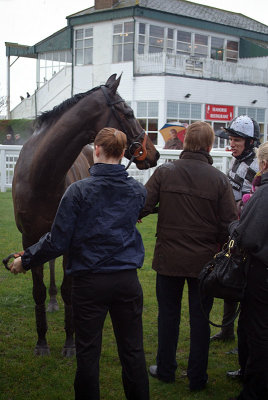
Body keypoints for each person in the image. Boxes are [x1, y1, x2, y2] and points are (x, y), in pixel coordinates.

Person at [10, 127, 149, 400]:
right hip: (126, 281)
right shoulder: (136, 191)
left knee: (88, 354)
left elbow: (57, 241)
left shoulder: (78, 191)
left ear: (95, 150)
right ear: (122, 154)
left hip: (89, 282)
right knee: (133, 352)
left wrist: (25, 260)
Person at [139, 121, 237, 391]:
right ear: (208, 146)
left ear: (184, 143)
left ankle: (167, 369)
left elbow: (142, 205)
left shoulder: (165, 171)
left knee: (168, 316)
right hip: (204, 263)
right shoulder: (219, 179)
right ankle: (197, 377)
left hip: (169, 258)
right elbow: (229, 223)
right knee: (200, 319)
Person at [210, 115, 260, 344]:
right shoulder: (238, 160)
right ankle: (228, 330)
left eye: (236, 140)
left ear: (250, 142)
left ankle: (244, 338)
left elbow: (249, 201)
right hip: (235, 228)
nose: (232, 144)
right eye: (231, 139)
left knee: (245, 284)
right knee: (230, 278)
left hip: (247, 231)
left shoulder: (255, 164)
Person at [228, 141, 268, 400]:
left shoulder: (264, 194)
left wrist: (233, 225)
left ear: (263, 164)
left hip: (262, 274)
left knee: (259, 332)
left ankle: (255, 389)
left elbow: (248, 236)